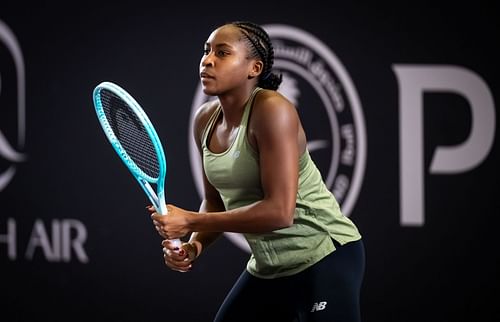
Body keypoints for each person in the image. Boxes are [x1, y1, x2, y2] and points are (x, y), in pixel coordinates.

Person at [148, 20, 365, 322]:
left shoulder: (273, 110)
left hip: (324, 255)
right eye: (207, 51)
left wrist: (189, 220)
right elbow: (215, 201)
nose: (208, 60)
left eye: (222, 53)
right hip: (268, 267)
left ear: (254, 68)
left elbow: (279, 212)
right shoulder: (205, 120)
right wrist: (195, 244)